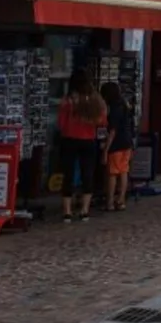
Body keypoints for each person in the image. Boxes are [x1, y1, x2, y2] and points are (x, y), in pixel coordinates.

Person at [57, 70, 107, 223]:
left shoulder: (68, 100)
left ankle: (67, 211)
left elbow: (61, 123)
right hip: (88, 140)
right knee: (88, 173)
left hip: (70, 139)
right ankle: (84, 210)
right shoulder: (96, 100)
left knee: (68, 174)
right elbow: (102, 122)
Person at [100, 81, 135, 212]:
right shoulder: (124, 104)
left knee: (112, 173)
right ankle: (121, 200)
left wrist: (106, 149)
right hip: (127, 142)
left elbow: (113, 131)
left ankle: (109, 202)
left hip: (117, 144)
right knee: (123, 171)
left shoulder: (114, 108)